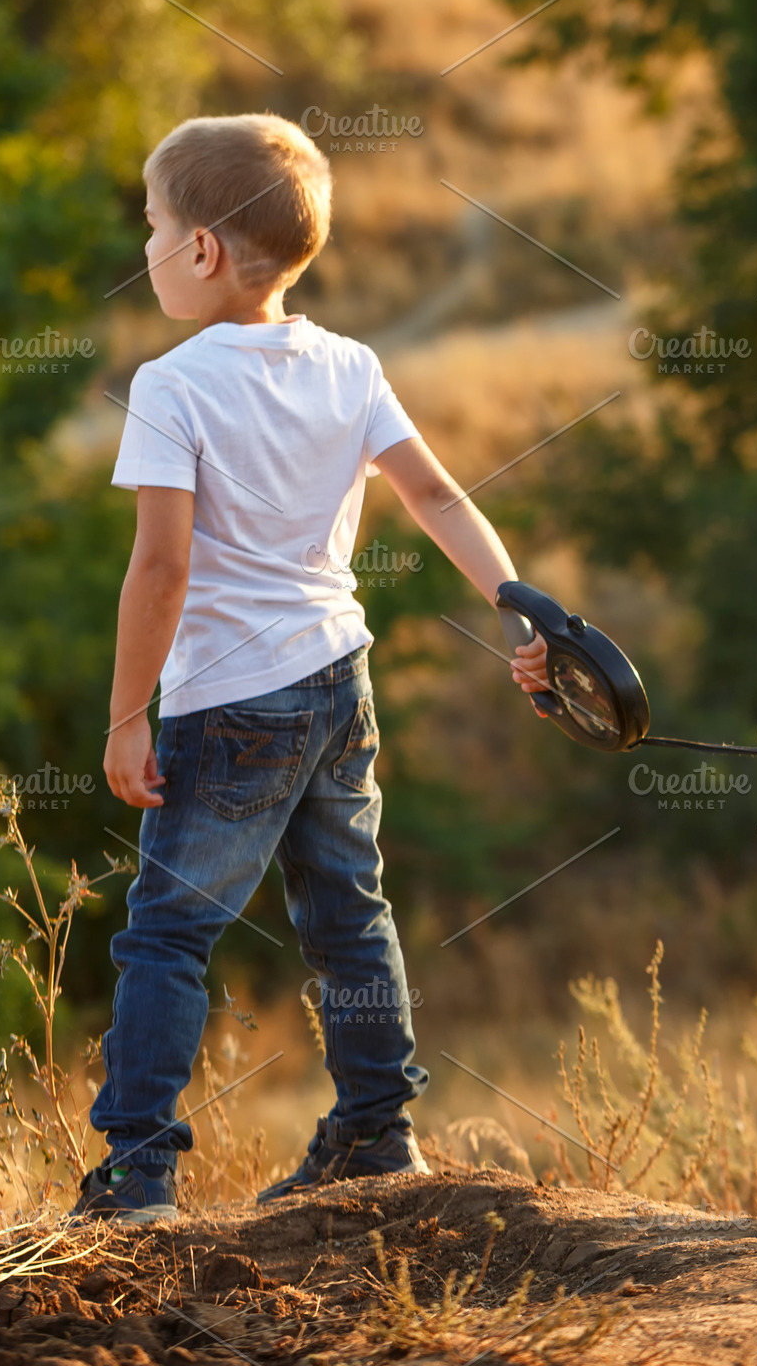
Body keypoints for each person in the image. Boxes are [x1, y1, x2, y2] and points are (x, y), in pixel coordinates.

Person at [75, 114, 547, 1222]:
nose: (143, 247)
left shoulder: (171, 384)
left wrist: (123, 715)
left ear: (200, 251)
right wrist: (517, 605)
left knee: (166, 932)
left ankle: (136, 1172)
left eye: (151, 225)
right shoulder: (350, 363)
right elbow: (433, 494)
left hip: (226, 705)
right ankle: (379, 1133)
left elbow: (162, 567)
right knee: (347, 911)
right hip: (340, 683)